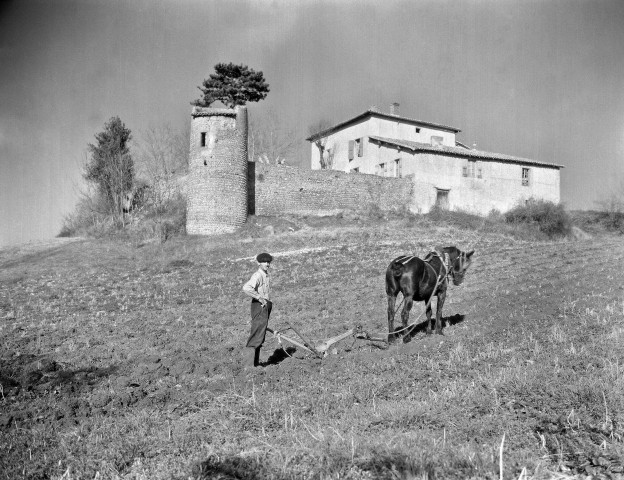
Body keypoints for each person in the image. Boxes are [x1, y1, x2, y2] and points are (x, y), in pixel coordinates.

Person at [242, 252, 273, 369]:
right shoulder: (258, 275)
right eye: (264, 262)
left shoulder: (266, 275)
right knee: (256, 335)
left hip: (265, 306)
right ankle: (249, 367)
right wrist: (259, 297)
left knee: (260, 335)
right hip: (259, 306)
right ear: (259, 263)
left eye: (268, 262)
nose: (267, 264)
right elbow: (246, 288)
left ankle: (256, 364)